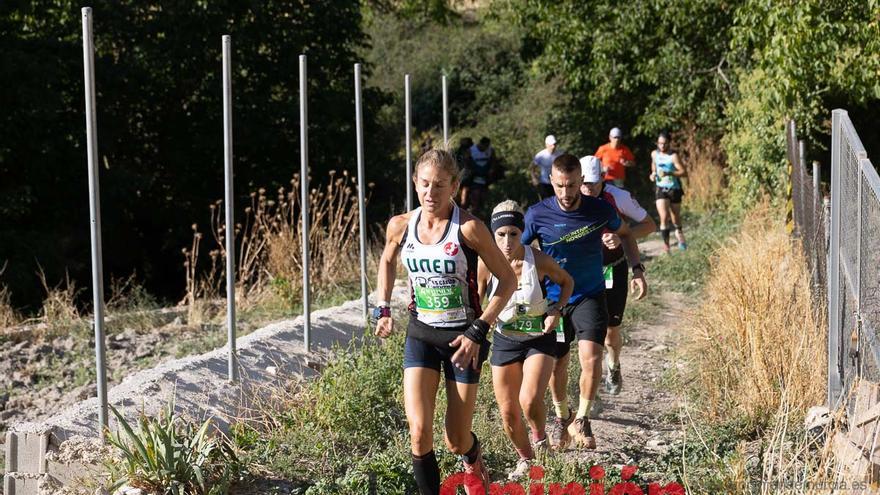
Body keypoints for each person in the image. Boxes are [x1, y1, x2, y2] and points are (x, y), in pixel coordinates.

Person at [373, 149, 516, 495]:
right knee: (419, 431)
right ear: (415, 183)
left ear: (454, 185)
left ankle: (472, 457)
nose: (430, 193)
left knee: (455, 439)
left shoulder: (469, 228)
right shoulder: (400, 225)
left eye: (439, 185)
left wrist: (479, 329)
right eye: (424, 184)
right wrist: (383, 307)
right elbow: (388, 261)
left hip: (463, 339)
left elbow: (508, 281)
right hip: (421, 334)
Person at [522, 154, 647, 451]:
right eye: (560, 186)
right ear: (551, 182)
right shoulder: (537, 214)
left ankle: (582, 418)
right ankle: (561, 415)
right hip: (553, 301)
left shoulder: (600, 209)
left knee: (591, 357)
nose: (566, 194)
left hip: (590, 293)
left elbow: (627, 233)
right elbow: (517, 250)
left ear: (582, 182)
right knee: (558, 363)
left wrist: (637, 268)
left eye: (572, 185)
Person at [478, 200, 574, 480]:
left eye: (513, 234)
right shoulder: (486, 264)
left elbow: (567, 282)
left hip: (538, 338)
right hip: (505, 339)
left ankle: (540, 438)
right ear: (492, 235)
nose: (507, 241)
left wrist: (556, 311)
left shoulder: (538, 260)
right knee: (508, 413)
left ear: (522, 233)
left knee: (529, 400)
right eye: (500, 234)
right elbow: (476, 298)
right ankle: (527, 459)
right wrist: (482, 320)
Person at [579, 156, 657, 395]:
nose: (587, 188)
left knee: (611, 332)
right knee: (588, 332)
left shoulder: (618, 197)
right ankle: (589, 384)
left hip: (614, 267)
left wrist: (622, 235)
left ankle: (613, 365)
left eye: (592, 183)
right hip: (584, 272)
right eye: (583, 183)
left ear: (603, 178)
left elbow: (649, 224)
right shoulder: (570, 198)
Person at [650, 131, 688, 251]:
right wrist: (653, 174)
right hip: (661, 188)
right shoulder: (654, 154)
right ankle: (666, 245)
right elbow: (654, 166)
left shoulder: (673, 156)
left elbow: (683, 172)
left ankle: (679, 233)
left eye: (664, 144)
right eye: (660, 143)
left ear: (669, 143)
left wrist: (669, 172)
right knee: (664, 216)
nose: (662, 146)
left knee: (675, 217)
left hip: (674, 188)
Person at [467, 137, 495, 214]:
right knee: (474, 194)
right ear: (481, 144)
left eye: (487, 146)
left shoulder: (490, 150)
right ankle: (469, 209)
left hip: (485, 177)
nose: (486, 148)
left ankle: (482, 211)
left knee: (483, 196)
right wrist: (470, 171)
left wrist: (491, 170)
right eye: (485, 146)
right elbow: (466, 162)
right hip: (474, 177)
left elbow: (493, 161)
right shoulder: (471, 150)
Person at [531, 135, 563, 200]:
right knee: (546, 202)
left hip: (557, 183)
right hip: (544, 183)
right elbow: (532, 168)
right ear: (546, 145)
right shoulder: (540, 155)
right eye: (551, 145)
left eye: (554, 144)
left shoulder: (560, 154)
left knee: (557, 202)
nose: (553, 147)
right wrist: (534, 178)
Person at [456, 137, 475, 208]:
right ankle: (463, 207)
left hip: (459, 175)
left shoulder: (458, 152)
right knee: (464, 192)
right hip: (465, 175)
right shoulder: (466, 152)